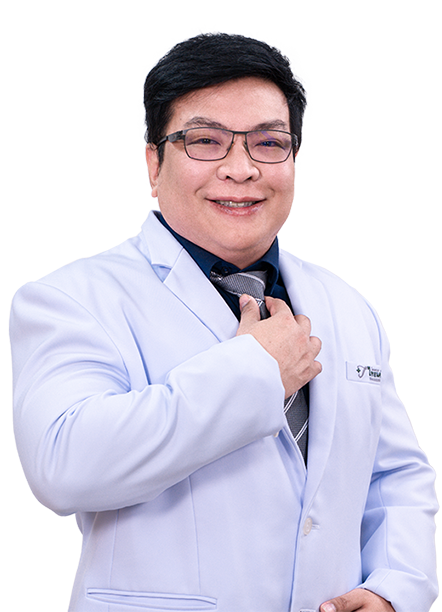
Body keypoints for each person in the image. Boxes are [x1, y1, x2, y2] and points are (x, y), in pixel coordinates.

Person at [9, 31, 438, 612]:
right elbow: (64, 466)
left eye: (269, 143)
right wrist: (256, 371)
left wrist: (393, 587)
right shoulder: (70, 298)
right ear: (153, 161)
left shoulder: (346, 304)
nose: (241, 169)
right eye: (206, 141)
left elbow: (394, 475)